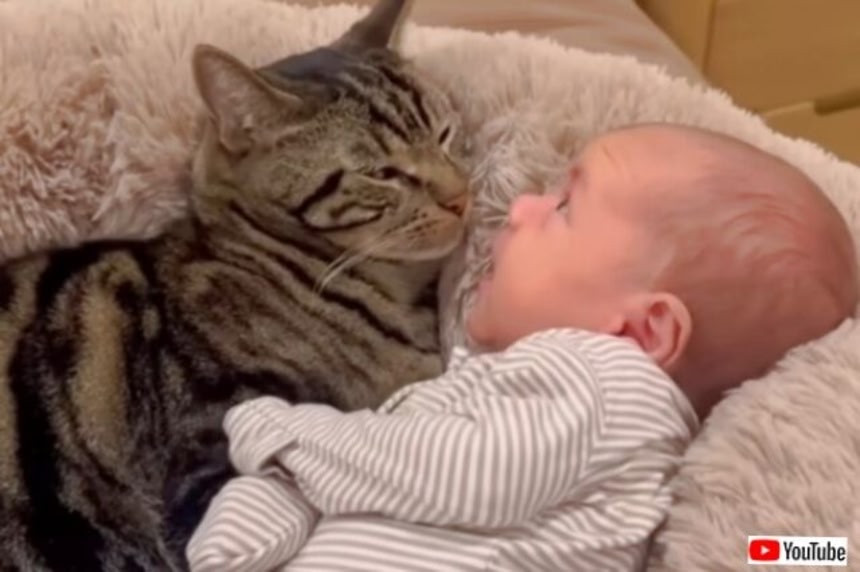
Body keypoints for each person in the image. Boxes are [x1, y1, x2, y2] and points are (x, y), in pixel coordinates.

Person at [186, 124, 858, 572]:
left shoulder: (605, 383)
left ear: (644, 331)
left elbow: (463, 477)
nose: (519, 208)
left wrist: (285, 433)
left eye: (563, 207)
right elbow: (369, 481)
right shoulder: (530, 396)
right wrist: (274, 496)